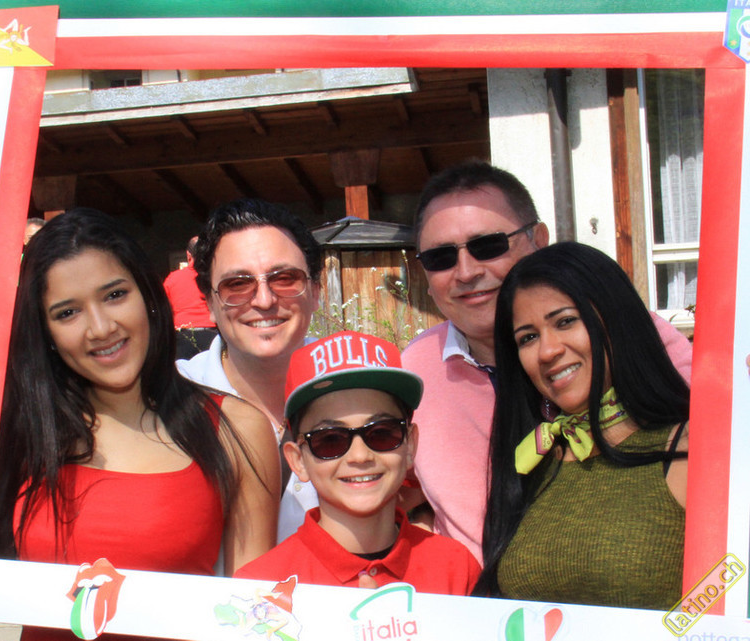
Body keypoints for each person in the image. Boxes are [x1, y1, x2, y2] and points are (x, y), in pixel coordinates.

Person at [0, 209, 280, 638]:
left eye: (114, 295)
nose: (100, 328)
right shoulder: (13, 430)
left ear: (147, 294)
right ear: (44, 331)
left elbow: (253, 621)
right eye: (67, 313)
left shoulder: (235, 429)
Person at [401, 159, 693, 564]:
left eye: (488, 246)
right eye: (440, 257)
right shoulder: (414, 370)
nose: (466, 272)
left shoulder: (627, 336)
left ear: (538, 239)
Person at [474, 242, 689, 610]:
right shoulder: (532, 460)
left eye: (565, 321)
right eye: (528, 337)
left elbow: (725, 598)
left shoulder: (691, 446)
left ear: (616, 320)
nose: (547, 351)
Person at [235, 331, 481, 595]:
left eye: (382, 433)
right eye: (330, 439)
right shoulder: (258, 589)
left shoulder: (457, 568)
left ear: (410, 444)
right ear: (298, 461)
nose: (360, 456)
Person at [177, 198, 322, 542]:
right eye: (237, 285)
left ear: (316, 290)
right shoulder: (171, 400)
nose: (264, 300)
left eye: (284, 279)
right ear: (210, 303)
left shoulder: (362, 384)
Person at [162, 236, 218, 359]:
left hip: (183, 336)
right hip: (212, 335)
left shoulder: (173, 278)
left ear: (188, 255)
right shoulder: (213, 277)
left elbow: (163, 310)